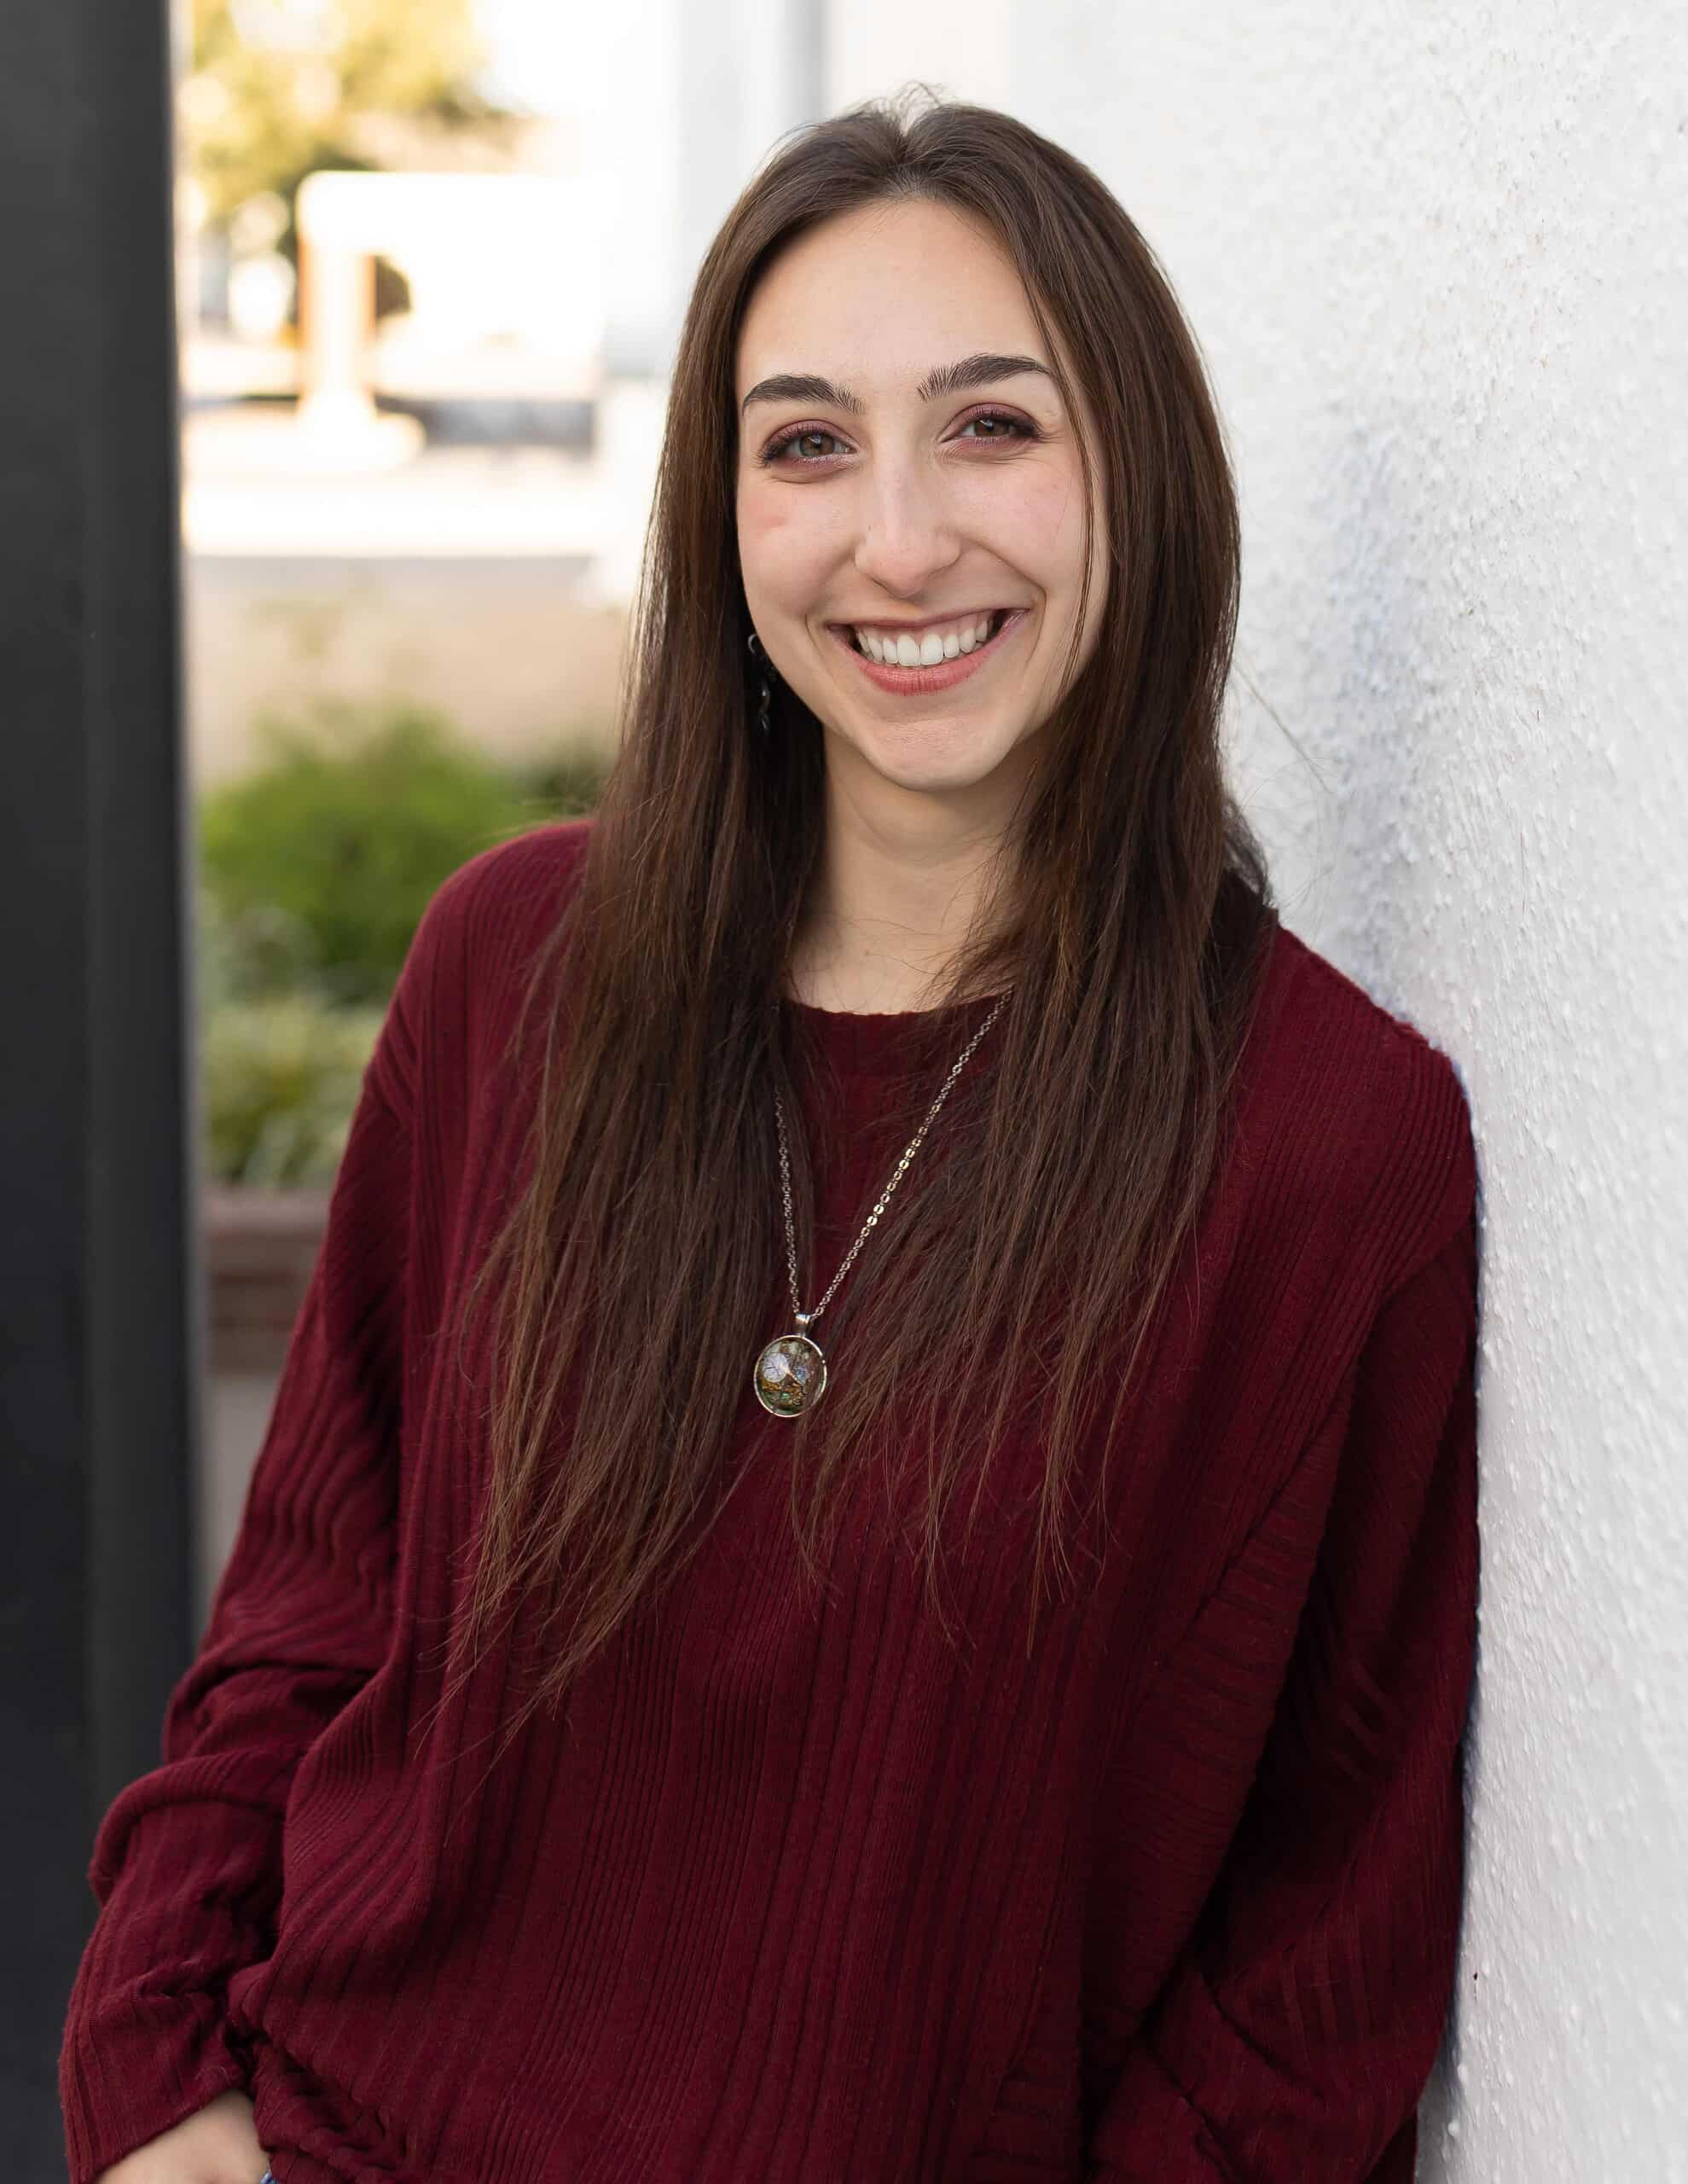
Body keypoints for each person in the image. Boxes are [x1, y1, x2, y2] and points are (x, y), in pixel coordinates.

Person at [62, 90, 1480, 2184]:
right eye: (805, 443)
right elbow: (305, 1620)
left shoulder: (1326, 1147)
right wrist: (164, 2078)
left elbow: (1314, 1960)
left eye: (991, 426)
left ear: (1140, 476)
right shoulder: (512, 968)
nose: (898, 538)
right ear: (724, 518)